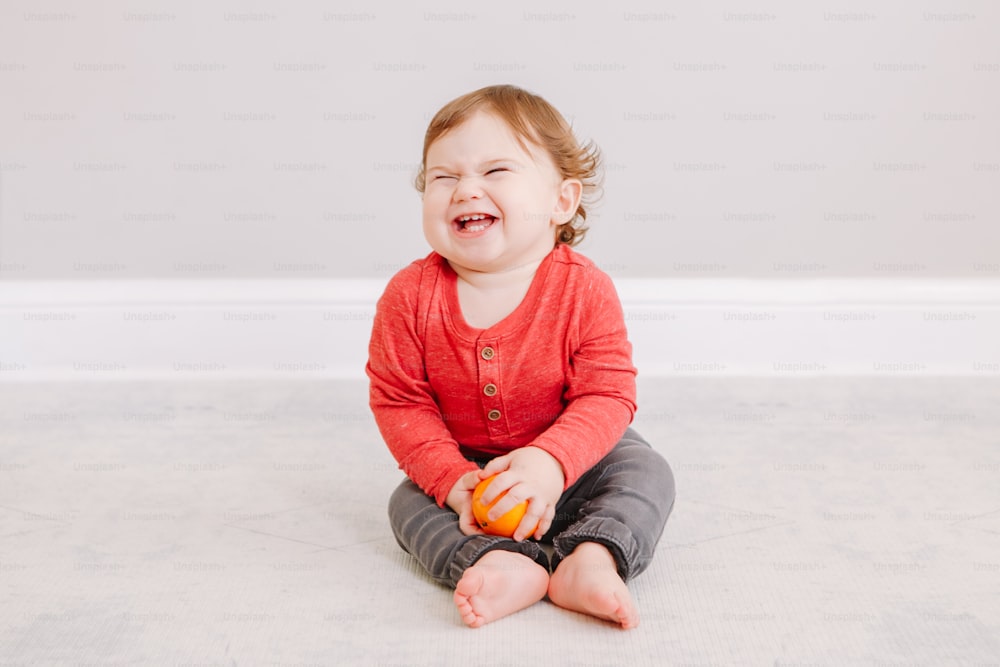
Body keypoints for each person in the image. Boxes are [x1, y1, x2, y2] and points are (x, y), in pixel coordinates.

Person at [366, 84, 675, 629]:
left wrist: (551, 463)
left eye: (496, 172)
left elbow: (607, 394)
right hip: (469, 474)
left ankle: (593, 557)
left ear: (562, 201)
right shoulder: (408, 297)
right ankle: (503, 562)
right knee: (405, 504)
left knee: (645, 470)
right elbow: (400, 403)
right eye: (443, 177)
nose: (465, 189)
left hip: (575, 463)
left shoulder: (583, 290)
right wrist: (449, 479)